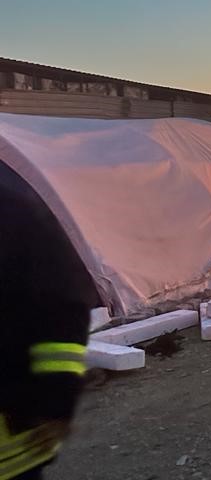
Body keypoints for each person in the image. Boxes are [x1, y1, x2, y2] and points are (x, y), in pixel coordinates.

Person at [1, 161, 95, 479]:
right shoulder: (14, 204)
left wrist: (54, 399)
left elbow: (60, 309)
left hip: (12, 440)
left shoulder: (11, 207)